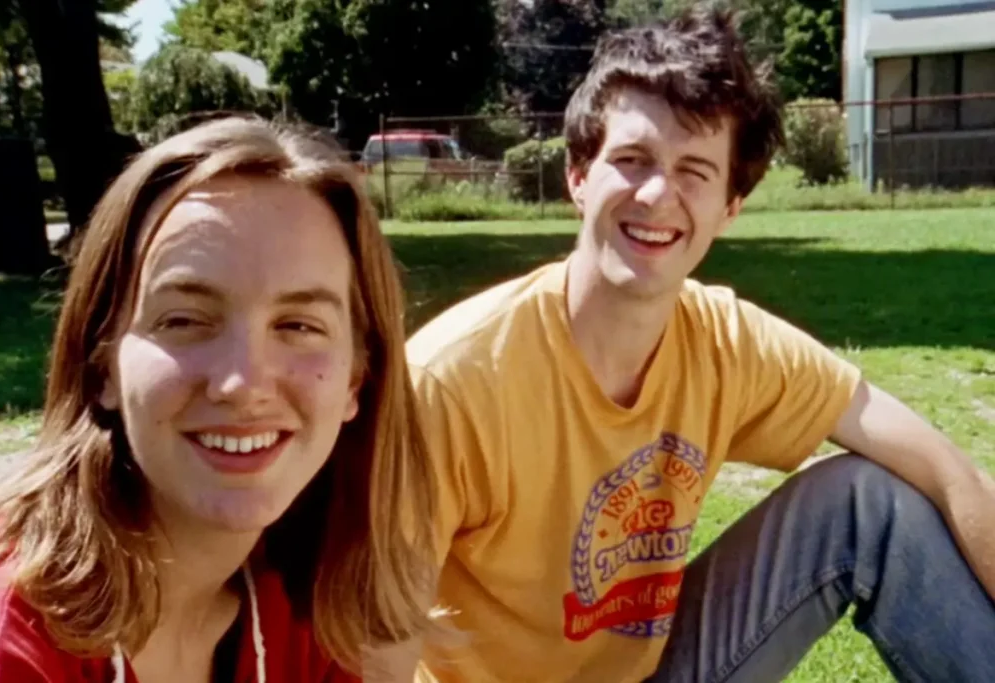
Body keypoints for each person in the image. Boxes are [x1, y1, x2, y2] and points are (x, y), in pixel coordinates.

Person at [401, 6, 995, 683]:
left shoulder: (726, 343)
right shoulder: (453, 378)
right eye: (631, 160)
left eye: (694, 171)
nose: (657, 194)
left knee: (866, 499)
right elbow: (375, 634)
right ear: (578, 176)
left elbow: (947, 470)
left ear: (730, 206)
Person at [0, 116, 440, 683]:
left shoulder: (308, 606)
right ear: (102, 364)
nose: (243, 383)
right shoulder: (1, 648)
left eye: (298, 325)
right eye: (185, 320)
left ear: (357, 379)